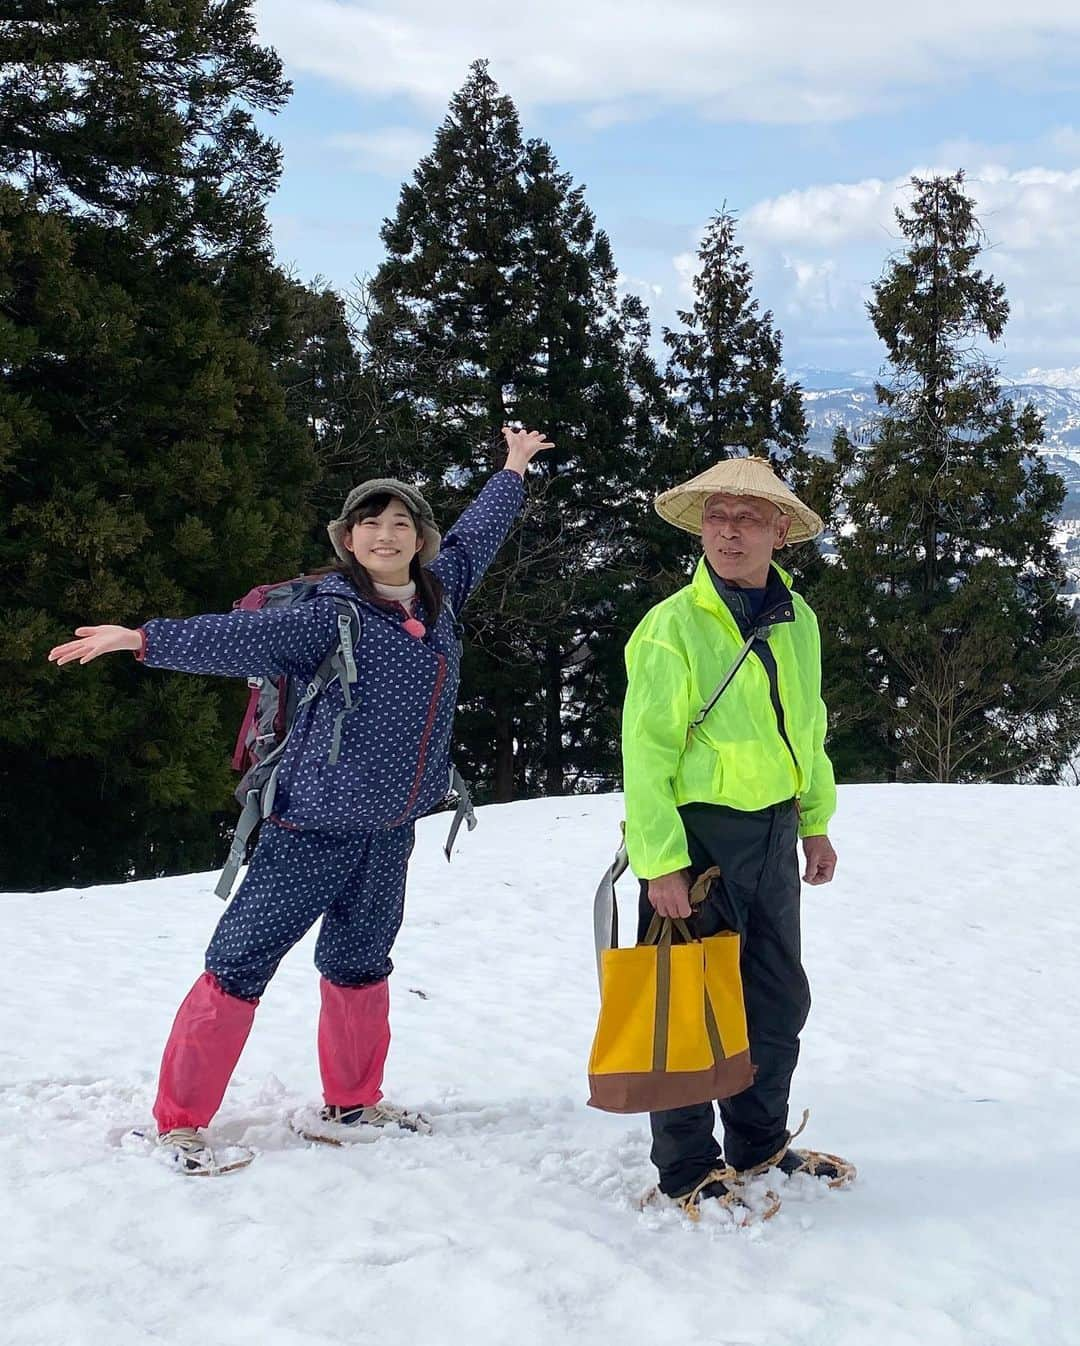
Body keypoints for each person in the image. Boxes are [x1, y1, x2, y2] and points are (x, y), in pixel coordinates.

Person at [48, 426, 553, 1172]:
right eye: (370, 524)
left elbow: (480, 529)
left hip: (389, 830)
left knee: (361, 961)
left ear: (420, 540)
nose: (386, 535)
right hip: (308, 829)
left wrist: (512, 467)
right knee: (239, 963)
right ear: (349, 539)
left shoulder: (442, 597)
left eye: (401, 523)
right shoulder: (328, 614)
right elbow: (231, 640)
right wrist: (142, 640)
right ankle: (179, 1122)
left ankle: (352, 1102)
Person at [621, 454, 851, 1212]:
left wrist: (814, 821)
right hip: (695, 839)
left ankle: (760, 1145)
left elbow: (807, 728)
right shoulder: (671, 629)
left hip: (774, 834)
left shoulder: (801, 618)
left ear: (779, 531)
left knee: (775, 999)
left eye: (748, 518)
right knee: (686, 1003)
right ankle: (688, 1167)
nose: (729, 531)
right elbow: (646, 754)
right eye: (717, 516)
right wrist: (659, 864)